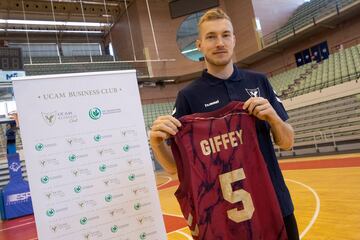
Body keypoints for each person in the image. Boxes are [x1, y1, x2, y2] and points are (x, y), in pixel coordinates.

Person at [149, 8, 299, 239]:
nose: (220, 42)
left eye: (225, 35)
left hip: (275, 204)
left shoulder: (258, 81)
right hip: (224, 215)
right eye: (211, 36)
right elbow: (175, 169)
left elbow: (287, 142)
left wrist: (274, 118)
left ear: (234, 39)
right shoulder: (189, 97)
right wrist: (157, 144)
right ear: (199, 44)